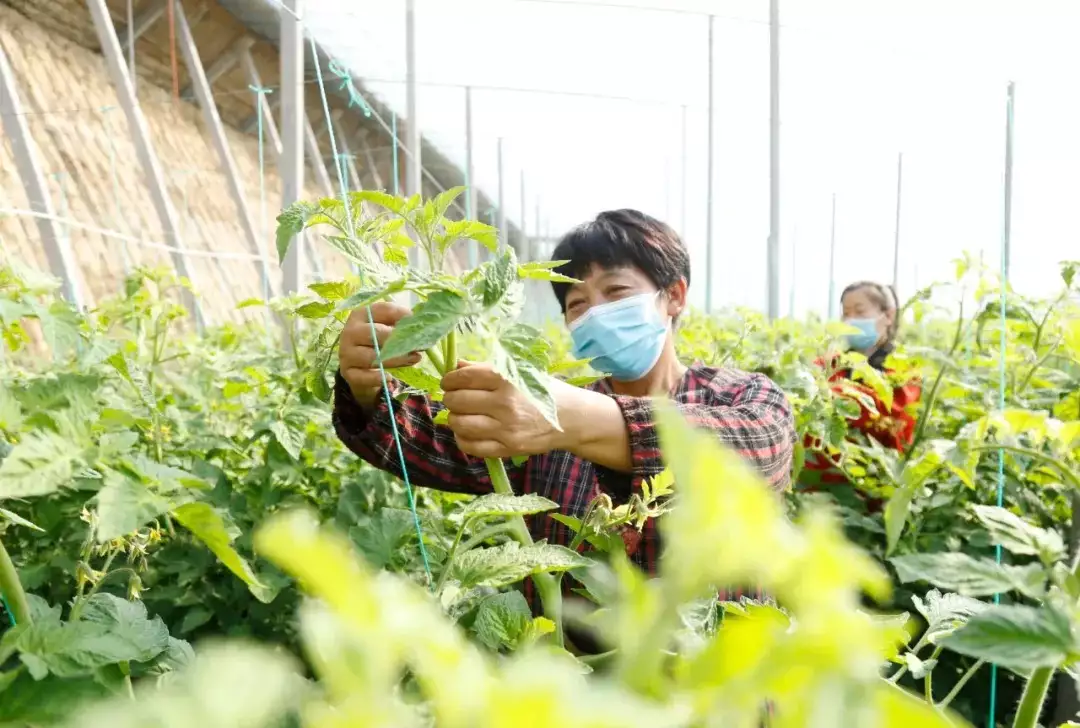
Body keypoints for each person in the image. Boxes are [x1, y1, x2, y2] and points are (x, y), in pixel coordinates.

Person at [333, 209, 796, 604]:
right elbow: (430, 445)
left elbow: (753, 451)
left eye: (615, 293)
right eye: (577, 304)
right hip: (576, 694)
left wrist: (561, 417)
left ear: (673, 295)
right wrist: (367, 387)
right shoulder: (530, 418)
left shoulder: (743, 397)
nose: (595, 313)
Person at [800, 281, 923, 506]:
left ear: (888, 315)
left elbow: (891, 413)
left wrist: (832, 395)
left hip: (874, 492)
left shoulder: (905, 370)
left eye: (860, 311)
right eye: (846, 313)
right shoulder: (831, 364)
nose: (851, 320)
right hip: (821, 490)